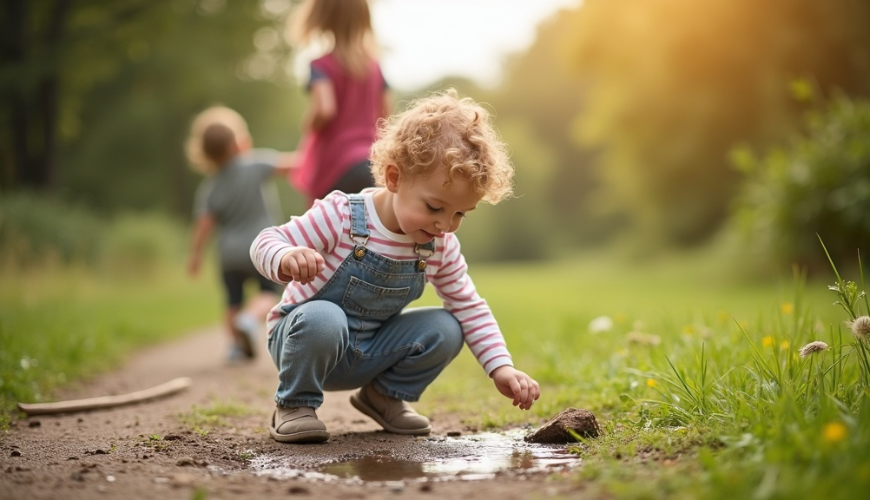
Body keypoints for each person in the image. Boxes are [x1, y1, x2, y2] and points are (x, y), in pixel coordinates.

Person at [250, 89, 541, 444]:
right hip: (306, 344)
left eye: (460, 213)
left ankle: (383, 397)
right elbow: (266, 241)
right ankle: (294, 404)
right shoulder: (342, 215)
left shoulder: (439, 244)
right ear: (393, 178)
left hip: (372, 351)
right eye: (435, 207)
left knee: (447, 326)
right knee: (325, 316)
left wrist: (501, 366)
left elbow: (469, 306)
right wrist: (284, 258)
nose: (445, 225)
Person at [185, 105, 294, 362]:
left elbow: (204, 224)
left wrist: (195, 256)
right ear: (238, 143)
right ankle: (250, 319)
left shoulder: (210, 185)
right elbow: (293, 164)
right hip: (261, 249)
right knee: (270, 292)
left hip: (229, 254)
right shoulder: (255, 164)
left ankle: (235, 346)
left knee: (232, 300)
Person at [286, 0, 390, 205]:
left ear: (324, 18)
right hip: (371, 163)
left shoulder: (321, 65)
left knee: (325, 232)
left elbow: (325, 109)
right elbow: (385, 116)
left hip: (336, 166)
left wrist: (309, 123)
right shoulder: (375, 66)